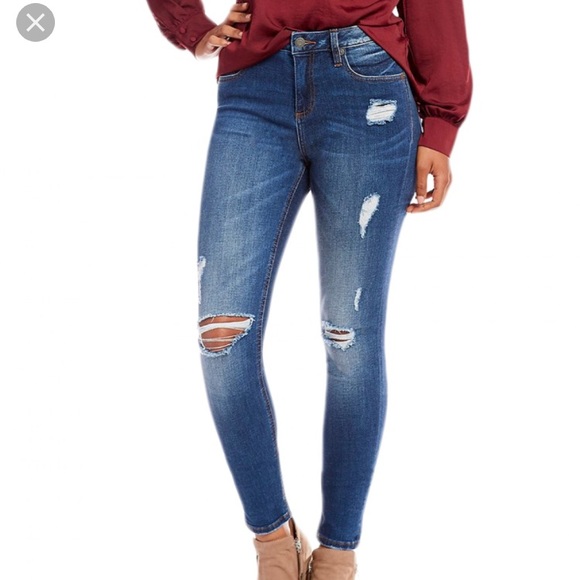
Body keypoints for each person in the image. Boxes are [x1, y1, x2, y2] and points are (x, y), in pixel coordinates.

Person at [146, 1, 472, 578]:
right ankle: (273, 539)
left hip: (369, 86)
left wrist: (441, 123)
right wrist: (189, 28)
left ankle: (338, 551)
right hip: (255, 86)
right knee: (221, 336)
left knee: (349, 336)